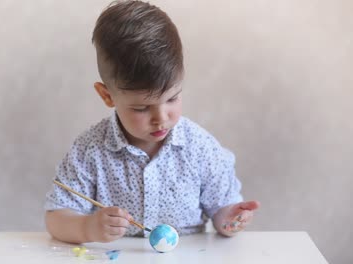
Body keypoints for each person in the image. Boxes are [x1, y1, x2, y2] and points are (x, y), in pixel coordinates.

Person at [44, 0, 260, 244]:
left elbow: (221, 211)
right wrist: (87, 227)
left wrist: (230, 218)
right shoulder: (89, 151)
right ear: (107, 96)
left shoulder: (200, 148)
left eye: (172, 98)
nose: (161, 118)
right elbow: (56, 218)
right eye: (141, 108)